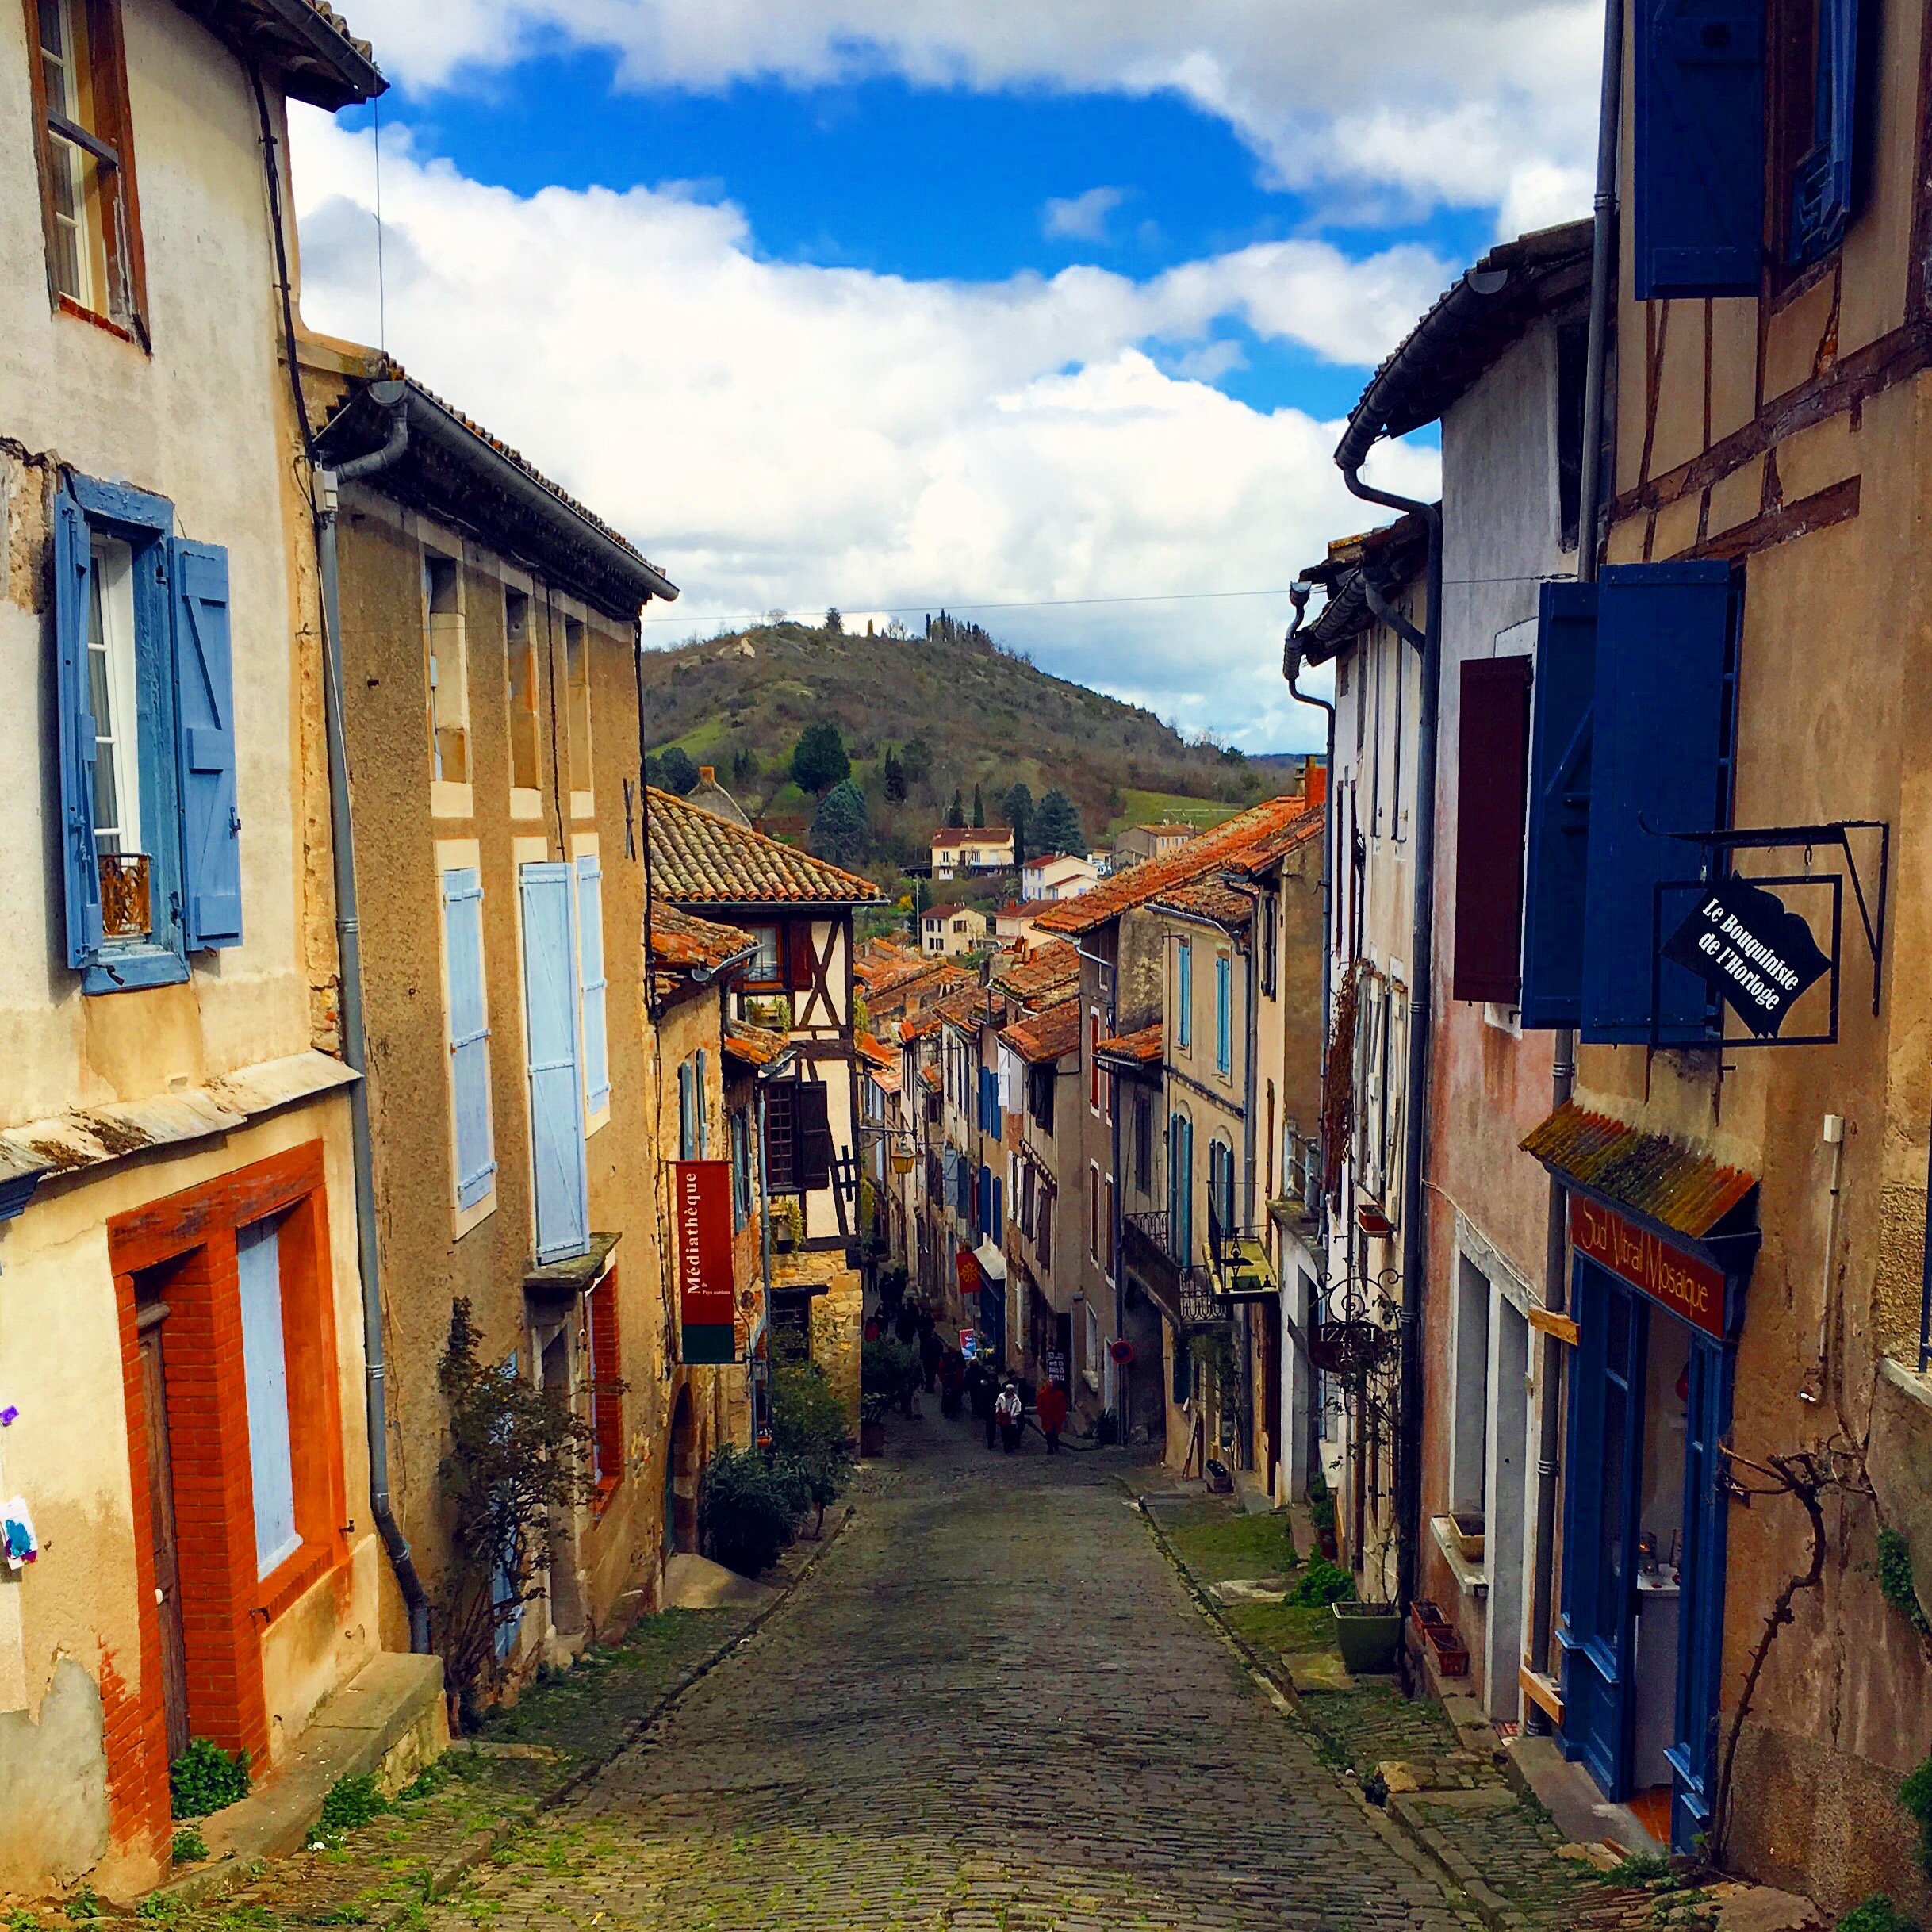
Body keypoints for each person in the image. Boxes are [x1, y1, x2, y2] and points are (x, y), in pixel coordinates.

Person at [1035, 1378, 1068, 1454]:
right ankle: (1050, 1447)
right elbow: (1040, 1406)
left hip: (1056, 1417)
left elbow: (1062, 1406)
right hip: (1047, 1417)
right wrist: (1042, 1414)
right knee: (1049, 1433)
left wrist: (1061, 1416)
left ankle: (1055, 1444)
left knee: (1055, 1433)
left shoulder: (1060, 1394)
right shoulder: (1044, 1394)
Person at [995, 1381, 1025, 1454]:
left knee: (1011, 1432)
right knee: (1004, 1433)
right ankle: (1007, 1447)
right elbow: (998, 1405)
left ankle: (1010, 1445)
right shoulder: (1001, 1397)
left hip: (1011, 1418)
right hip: (1003, 1417)